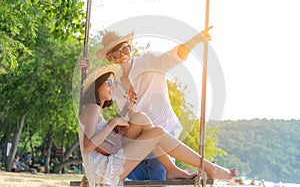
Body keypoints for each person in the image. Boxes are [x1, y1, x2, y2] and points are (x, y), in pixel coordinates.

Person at [79, 28, 213, 181]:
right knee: (135, 183)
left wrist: (195, 40)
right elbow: (93, 91)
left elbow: (175, 56)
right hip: (135, 145)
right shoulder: (114, 84)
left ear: (130, 48)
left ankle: (179, 169)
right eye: (117, 54)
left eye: (125, 49)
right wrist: (86, 72)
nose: (123, 55)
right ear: (110, 58)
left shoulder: (150, 61)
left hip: (161, 140)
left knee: (160, 180)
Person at [78, 64, 238, 186]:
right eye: (108, 83)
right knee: (158, 133)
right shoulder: (92, 108)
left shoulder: (94, 109)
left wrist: (124, 115)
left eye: (114, 83)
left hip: (105, 164)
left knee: (141, 117)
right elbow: (87, 146)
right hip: (103, 170)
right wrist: (113, 122)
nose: (113, 87)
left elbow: (105, 142)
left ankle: (172, 169)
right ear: (96, 85)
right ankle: (208, 167)